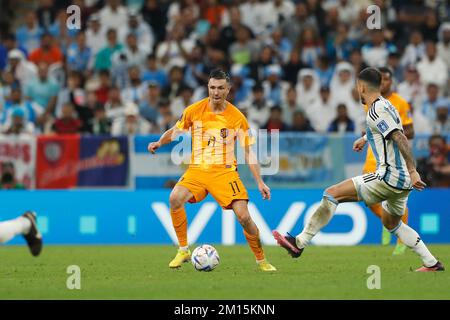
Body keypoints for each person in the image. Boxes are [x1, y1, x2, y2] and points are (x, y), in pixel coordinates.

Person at [273, 67, 444, 272]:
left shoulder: (375, 110)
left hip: (389, 176)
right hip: (403, 180)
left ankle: (299, 243)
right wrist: (365, 139)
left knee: (332, 194)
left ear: (362, 87)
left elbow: (399, 137)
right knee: (393, 224)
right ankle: (431, 263)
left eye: (357, 86)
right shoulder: (387, 105)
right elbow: (387, 132)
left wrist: (413, 169)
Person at [148, 69, 276, 272]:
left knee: (244, 217)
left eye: (220, 88)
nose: (216, 92)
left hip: (224, 172)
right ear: (208, 87)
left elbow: (249, 153)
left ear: (228, 89)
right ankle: (183, 250)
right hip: (197, 170)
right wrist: (159, 142)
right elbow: (176, 130)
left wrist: (260, 181)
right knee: (174, 198)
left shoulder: (236, 117)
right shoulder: (194, 110)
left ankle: (262, 260)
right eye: (212, 87)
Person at [363, 67, 415, 255]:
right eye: (381, 80)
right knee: (368, 199)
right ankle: (388, 224)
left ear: (391, 81)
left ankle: (401, 237)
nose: (383, 83)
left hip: (391, 157)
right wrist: (363, 138)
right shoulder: (369, 103)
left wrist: (394, 131)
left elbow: (410, 131)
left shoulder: (400, 103)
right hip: (372, 157)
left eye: (386, 80)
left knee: (395, 199)